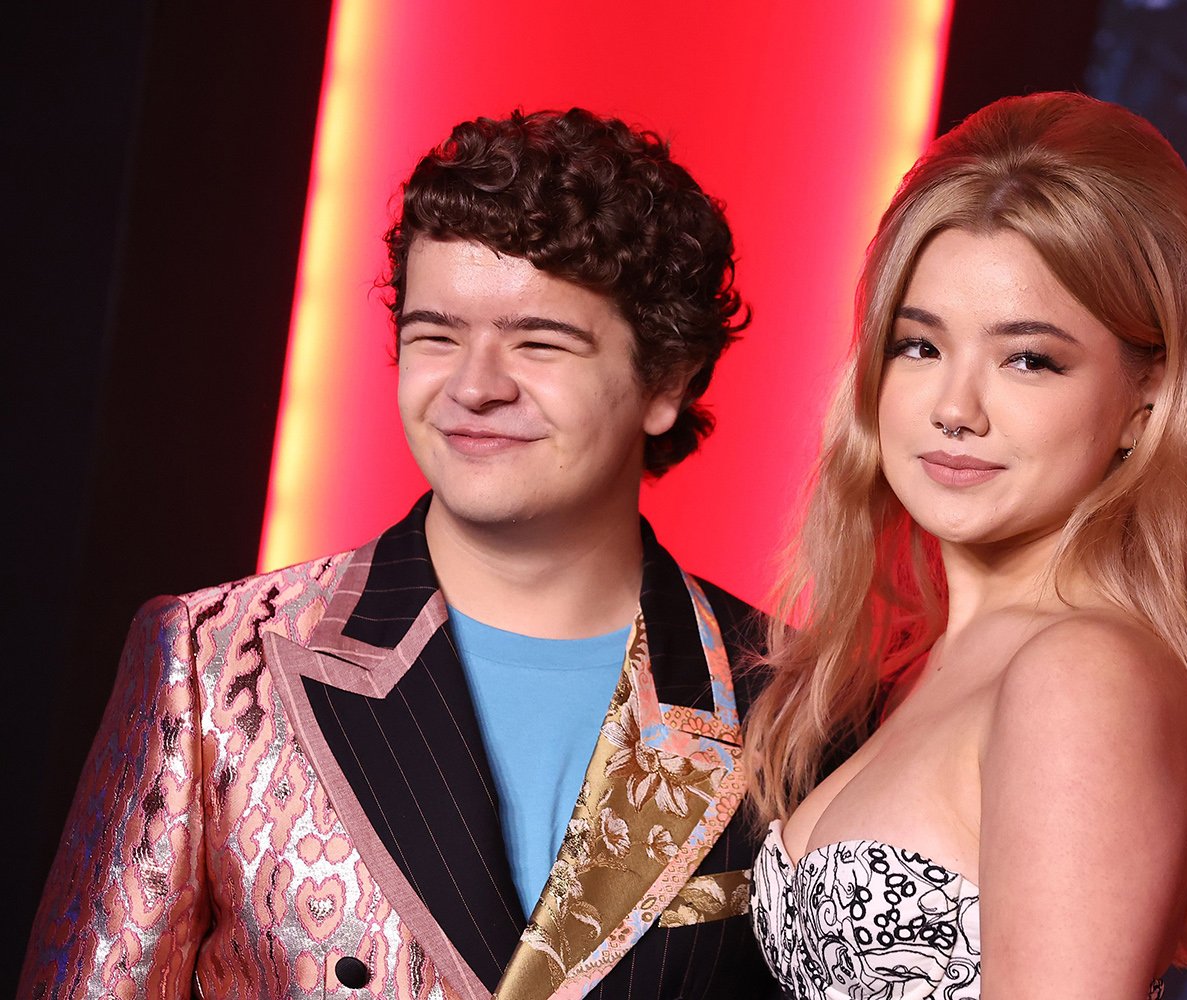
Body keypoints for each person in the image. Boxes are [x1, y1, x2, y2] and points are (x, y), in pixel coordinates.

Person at [23, 108, 779, 1000]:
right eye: (435, 335)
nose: (474, 386)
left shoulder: (796, 700)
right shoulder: (214, 658)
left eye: (539, 342)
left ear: (668, 380)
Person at [744, 92, 1187, 998]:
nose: (956, 407)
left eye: (1028, 359)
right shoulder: (937, 663)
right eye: (918, 346)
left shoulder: (1084, 671)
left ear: (1146, 400)